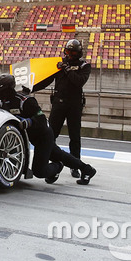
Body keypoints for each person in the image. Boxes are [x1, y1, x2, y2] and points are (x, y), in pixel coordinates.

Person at [0, 73, 96, 185]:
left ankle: (57, 167)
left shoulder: (25, 101)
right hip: (33, 137)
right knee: (59, 155)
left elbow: (41, 119)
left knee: (39, 171)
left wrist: (28, 122)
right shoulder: (2, 103)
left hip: (43, 135)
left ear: (5, 89)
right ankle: (87, 170)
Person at [36, 38, 91, 178]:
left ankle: (75, 165)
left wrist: (66, 69)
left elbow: (79, 82)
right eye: (67, 51)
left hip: (75, 105)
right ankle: (54, 162)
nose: (69, 55)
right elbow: (46, 81)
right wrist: (30, 88)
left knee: (75, 137)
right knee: (51, 135)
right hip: (58, 104)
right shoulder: (59, 65)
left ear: (78, 53)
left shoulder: (84, 66)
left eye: (72, 52)